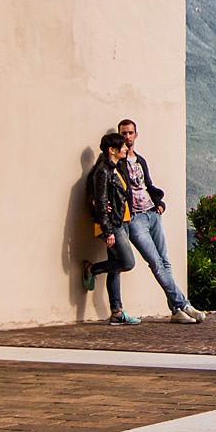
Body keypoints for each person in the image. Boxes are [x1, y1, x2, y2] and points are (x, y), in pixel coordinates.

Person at [115, 118, 205, 323]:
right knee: (155, 262)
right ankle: (183, 305)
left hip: (152, 214)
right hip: (135, 219)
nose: (127, 137)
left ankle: (176, 311)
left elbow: (147, 185)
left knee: (165, 261)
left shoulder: (140, 160)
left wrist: (159, 203)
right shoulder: (116, 163)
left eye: (130, 133)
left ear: (136, 135)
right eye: (123, 133)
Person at [83, 132, 142, 324]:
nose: (126, 148)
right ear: (112, 150)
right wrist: (107, 230)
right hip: (113, 225)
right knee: (127, 262)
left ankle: (117, 313)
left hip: (122, 222)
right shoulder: (103, 171)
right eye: (123, 146)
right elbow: (100, 200)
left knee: (115, 268)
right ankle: (92, 269)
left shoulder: (118, 168)